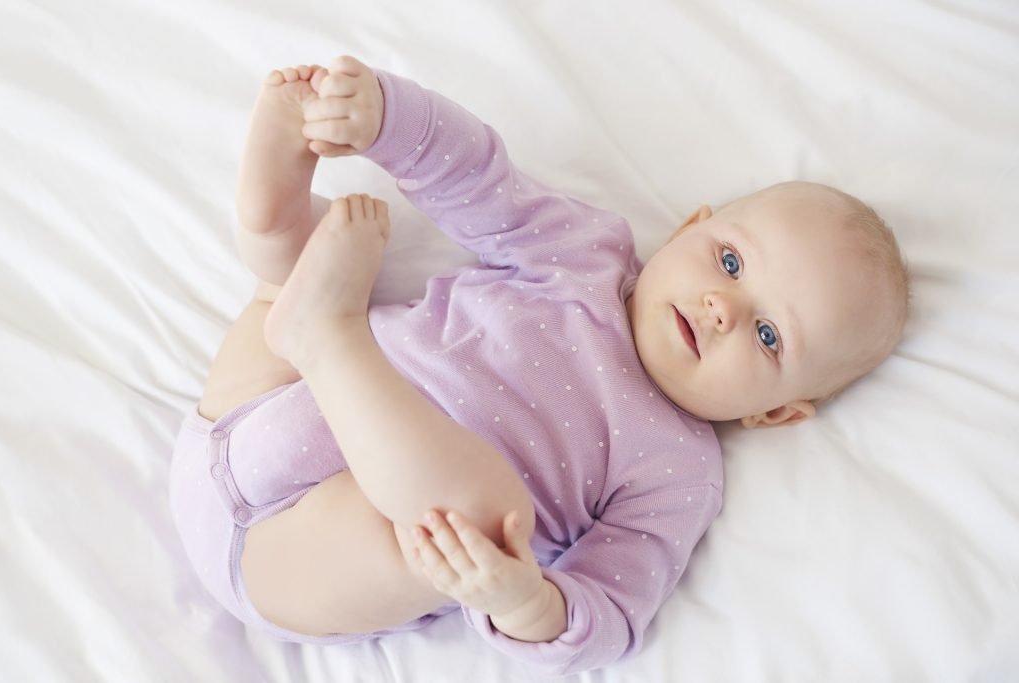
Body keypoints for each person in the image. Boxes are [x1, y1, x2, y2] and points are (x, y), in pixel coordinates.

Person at [169, 56, 909, 675]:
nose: (723, 307)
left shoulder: (678, 471)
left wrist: (526, 601)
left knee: (473, 526)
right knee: (301, 256)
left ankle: (328, 331)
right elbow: (476, 179)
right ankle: (275, 222)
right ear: (691, 226)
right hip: (245, 412)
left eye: (770, 335)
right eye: (730, 260)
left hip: (299, 559)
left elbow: (615, 609)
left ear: (774, 413)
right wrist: (386, 117)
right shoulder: (581, 249)